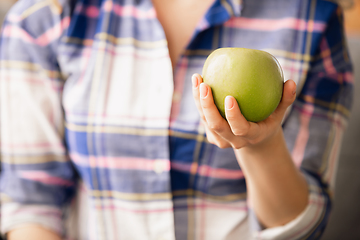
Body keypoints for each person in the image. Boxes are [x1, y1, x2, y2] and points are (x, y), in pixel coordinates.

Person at [0, 0, 353, 239]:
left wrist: (261, 146)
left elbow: (303, 224)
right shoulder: (45, 16)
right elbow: (33, 201)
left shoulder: (310, 17)